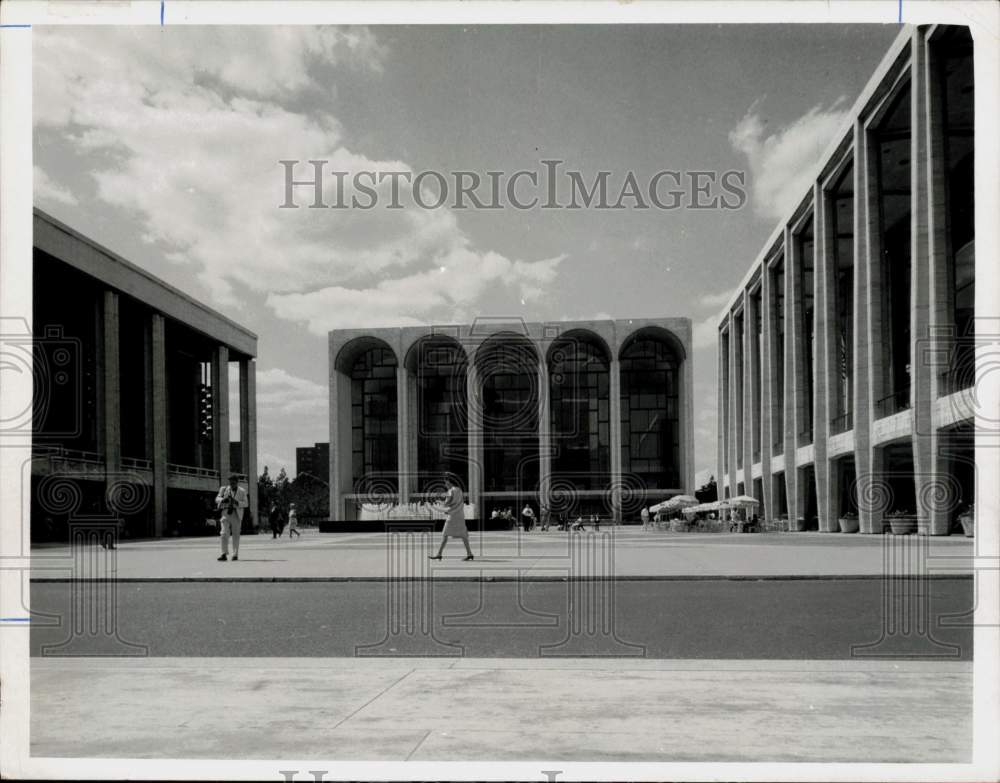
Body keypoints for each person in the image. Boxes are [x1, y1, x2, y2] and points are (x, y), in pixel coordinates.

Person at [429, 475, 474, 561]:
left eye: (445, 482)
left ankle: (439, 554)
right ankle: (469, 553)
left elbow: (447, 503)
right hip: (460, 515)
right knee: (463, 535)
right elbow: (458, 502)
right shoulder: (459, 490)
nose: (445, 484)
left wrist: (440, 502)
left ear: (449, 482)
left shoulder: (450, 491)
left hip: (452, 516)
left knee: (444, 535)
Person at [216, 473, 248, 562]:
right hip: (225, 512)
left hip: (236, 514)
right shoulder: (224, 489)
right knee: (223, 533)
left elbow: (246, 503)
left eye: (233, 483)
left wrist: (237, 502)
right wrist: (223, 499)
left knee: (236, 535)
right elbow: (217, 499)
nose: (231, 485)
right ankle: (224, 554)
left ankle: (235, 554)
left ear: (237, 482)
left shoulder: (242, 491)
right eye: (230, 483)